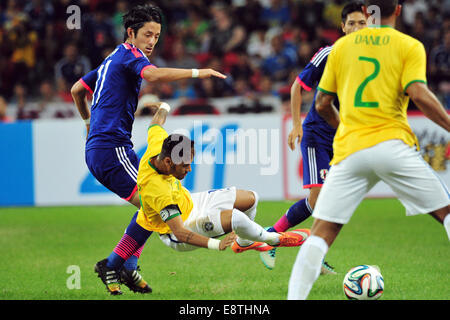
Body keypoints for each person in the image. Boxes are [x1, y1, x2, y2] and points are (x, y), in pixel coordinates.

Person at [287, 0, 450, 300]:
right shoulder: (409, 45)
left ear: (365, 12)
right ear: (398, 10)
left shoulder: (341, 49)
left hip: (350, 150)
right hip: (392, 145)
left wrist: (346, 125)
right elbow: (419, 95)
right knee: (446, 213)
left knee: (322, 232)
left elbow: (321, 104)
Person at [70, 4, 227, 294]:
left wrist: (87, 120)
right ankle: (116, 264)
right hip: (111, 149)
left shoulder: (110, 60)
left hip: (106, 148)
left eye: (156, 35)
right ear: (131, 33)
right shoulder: (131, 55)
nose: (152, 41)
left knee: (150, 205)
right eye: (147, 34)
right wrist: (198, 71)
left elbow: (77, 90)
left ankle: (126, 266)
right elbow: (152, 76)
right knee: (158, 202)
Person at [94, 104, 309, 295]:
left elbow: (156, 124)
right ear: (168, 162)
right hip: (179, 231)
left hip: (192, 202)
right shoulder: (158, 191)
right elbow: (180, 232)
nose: (189, 169)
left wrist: (164, 107)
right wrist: (216, 245)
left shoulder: (158, 144)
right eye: (185, 165)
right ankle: (272, 239)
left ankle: (244, 242)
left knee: (251, 198)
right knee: (235, 218)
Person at [260, 1, 368, 271]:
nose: (356, 28)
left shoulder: (370, 60)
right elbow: (298, 86)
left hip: (344, 140)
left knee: (330, 204)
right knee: (320, 199)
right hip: (318, 135)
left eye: (361, 23)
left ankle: (272, 238)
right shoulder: (329, 54)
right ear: (342, 27)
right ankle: (285, 244)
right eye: (351, 23)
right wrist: (296, 124)